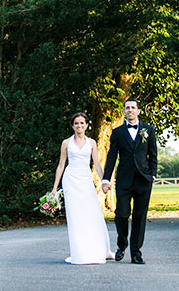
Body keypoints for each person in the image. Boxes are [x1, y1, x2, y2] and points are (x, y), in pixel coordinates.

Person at [52, 112, 114, 264]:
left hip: (86, 180)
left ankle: (101, 249)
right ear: (72, 126)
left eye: (82, 123)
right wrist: (54, 188)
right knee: (76, 217)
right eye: (76, 123)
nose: (79, 126)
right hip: (71, 181)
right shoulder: (66, 143)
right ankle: (80, 251)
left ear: (87, 125)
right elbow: (60, 166)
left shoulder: (91, 142)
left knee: (92, 214)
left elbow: (97, 164)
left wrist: (104, 181)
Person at [101, 99, 157, 265]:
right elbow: (111, 157)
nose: (130, 110)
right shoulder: (117, 132)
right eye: (127, 108)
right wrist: (106, 178)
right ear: (124, 111)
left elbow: (153, 154)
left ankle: (136, 253)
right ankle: (121, 245)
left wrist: (152, 174)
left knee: (140, 217)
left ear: (138, 111)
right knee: (121, 215)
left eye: (133, 108)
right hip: (124, 180)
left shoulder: (149, 130)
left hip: (143, 180)